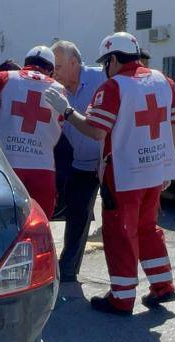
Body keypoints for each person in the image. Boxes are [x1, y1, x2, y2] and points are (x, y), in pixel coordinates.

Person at [44, 32, 175, 315]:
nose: (106, 68)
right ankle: (163, 285)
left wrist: (67, 112)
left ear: (114, 59)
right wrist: (167, 163)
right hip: (154, 172)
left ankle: (121, 297)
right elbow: (173, 126)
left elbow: (95, 130)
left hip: (124, 175)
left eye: (107, 62)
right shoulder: (163, 82)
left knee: (120, 233)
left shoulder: (114, 87)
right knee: (147, 229)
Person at [0, 46, 65, 218]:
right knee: (40, 223)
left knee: (6, 224)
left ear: (26, 63)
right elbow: (60, 125)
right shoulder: (59, 89)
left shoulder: (4, 78)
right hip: (43, 168)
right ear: (51, 70)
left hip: (8, 166)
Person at [49, 40, 106, 283]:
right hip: (81, 163)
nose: (55, 73)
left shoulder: (102, 79)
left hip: (108, 161)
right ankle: (69, 270)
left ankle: (124, 281)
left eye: (59, 67)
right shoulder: (55, 88)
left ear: (74, 63)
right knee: (76, 215)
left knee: (117, 220)